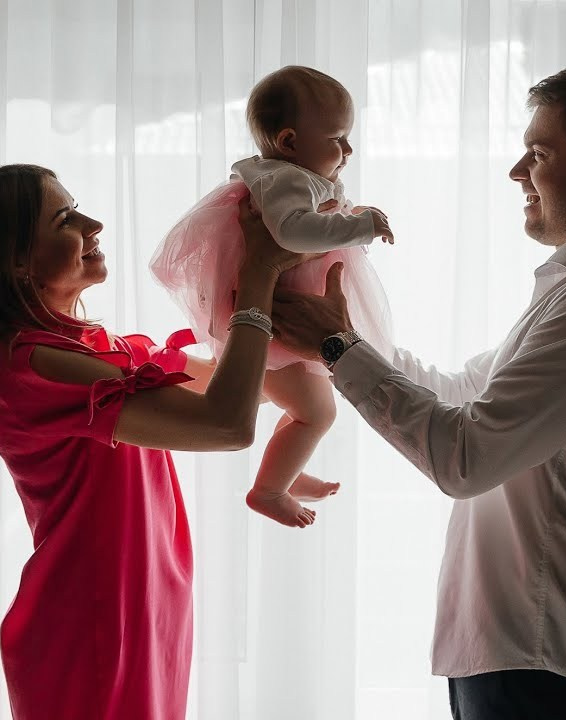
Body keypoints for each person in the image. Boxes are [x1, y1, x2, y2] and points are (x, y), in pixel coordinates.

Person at [271, 62, 566, 719]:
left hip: (545, 661)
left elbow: (466, 457)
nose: (516, 172)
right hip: (520, 652)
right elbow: (464, 390)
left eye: (538, 154)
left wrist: (338, 348)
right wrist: (340, 339)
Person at [0, 163, 314, 719]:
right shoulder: (28, 366)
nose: (94, 223)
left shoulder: (98, 347)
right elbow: (226, 424)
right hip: (90, 632)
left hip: (144, 616)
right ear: (16, 262)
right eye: (65, 218)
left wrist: (301, 313)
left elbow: (247, 389)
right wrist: (257, 277)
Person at [150, 65, 396, 528]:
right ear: (288, 142)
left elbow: (312, 224)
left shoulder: (290, 177)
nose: (347, 150)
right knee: (317, 412)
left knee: (309, 404)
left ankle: (287, 469)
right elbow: (293, 232)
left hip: (279, 315)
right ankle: (268, 490)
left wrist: (348, 214)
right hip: (273, 318)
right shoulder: (286, 180)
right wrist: (361, 224)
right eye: (338, 138)